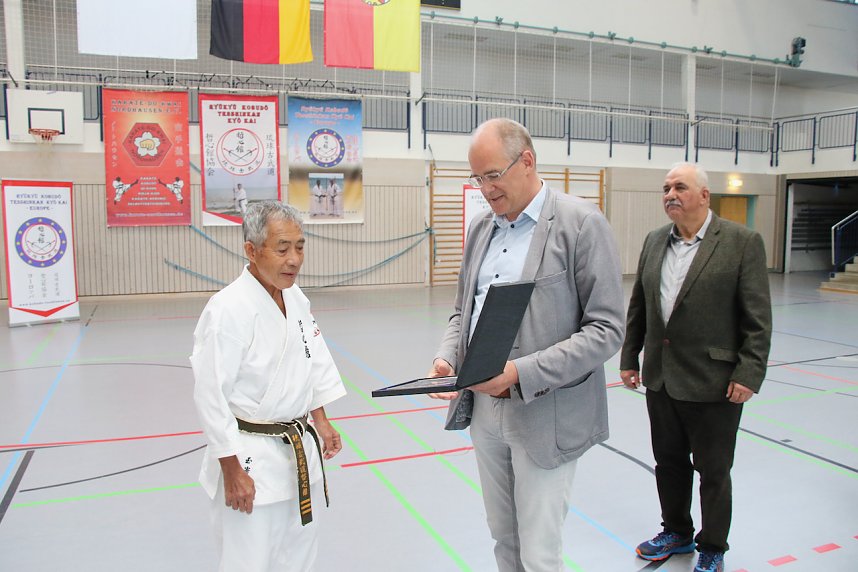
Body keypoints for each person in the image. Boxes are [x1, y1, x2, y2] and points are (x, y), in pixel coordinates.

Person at [428, 118, 625, 571]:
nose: (485, 189)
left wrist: (521, 373)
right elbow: (464, 311)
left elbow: (606, 329)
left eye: (492, 175)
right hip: (484, 410)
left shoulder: (581, 224)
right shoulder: (482, 228)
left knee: (539, 552)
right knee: (504, 540)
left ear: (528, 161)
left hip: (545, 412)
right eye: (477, 179)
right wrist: (446, 356)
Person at [620, 163, 772, 572]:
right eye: (666, 187)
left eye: (680, 187)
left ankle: (713, 546)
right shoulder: (654, 241)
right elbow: (640, 306)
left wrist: (748, 372)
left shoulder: (742, 242)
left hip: (715, 382)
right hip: (661, 377)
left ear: (704, 196)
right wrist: (629, 356)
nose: (670, 193)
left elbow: (757, 318)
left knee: (714, 471)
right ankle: (677, 531)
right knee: (668, 463)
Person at [190, 201, 347, 571]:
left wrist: (320, 418)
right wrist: (230, 470)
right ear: (251, 250)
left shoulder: (295, 297)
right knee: (249, 562)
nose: (294, 258)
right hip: (250, 461)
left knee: (298, 558)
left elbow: (312, 359)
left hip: (296, 457)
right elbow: (210, 395)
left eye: (300, 246)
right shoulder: (227, 309)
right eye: (282, 248)